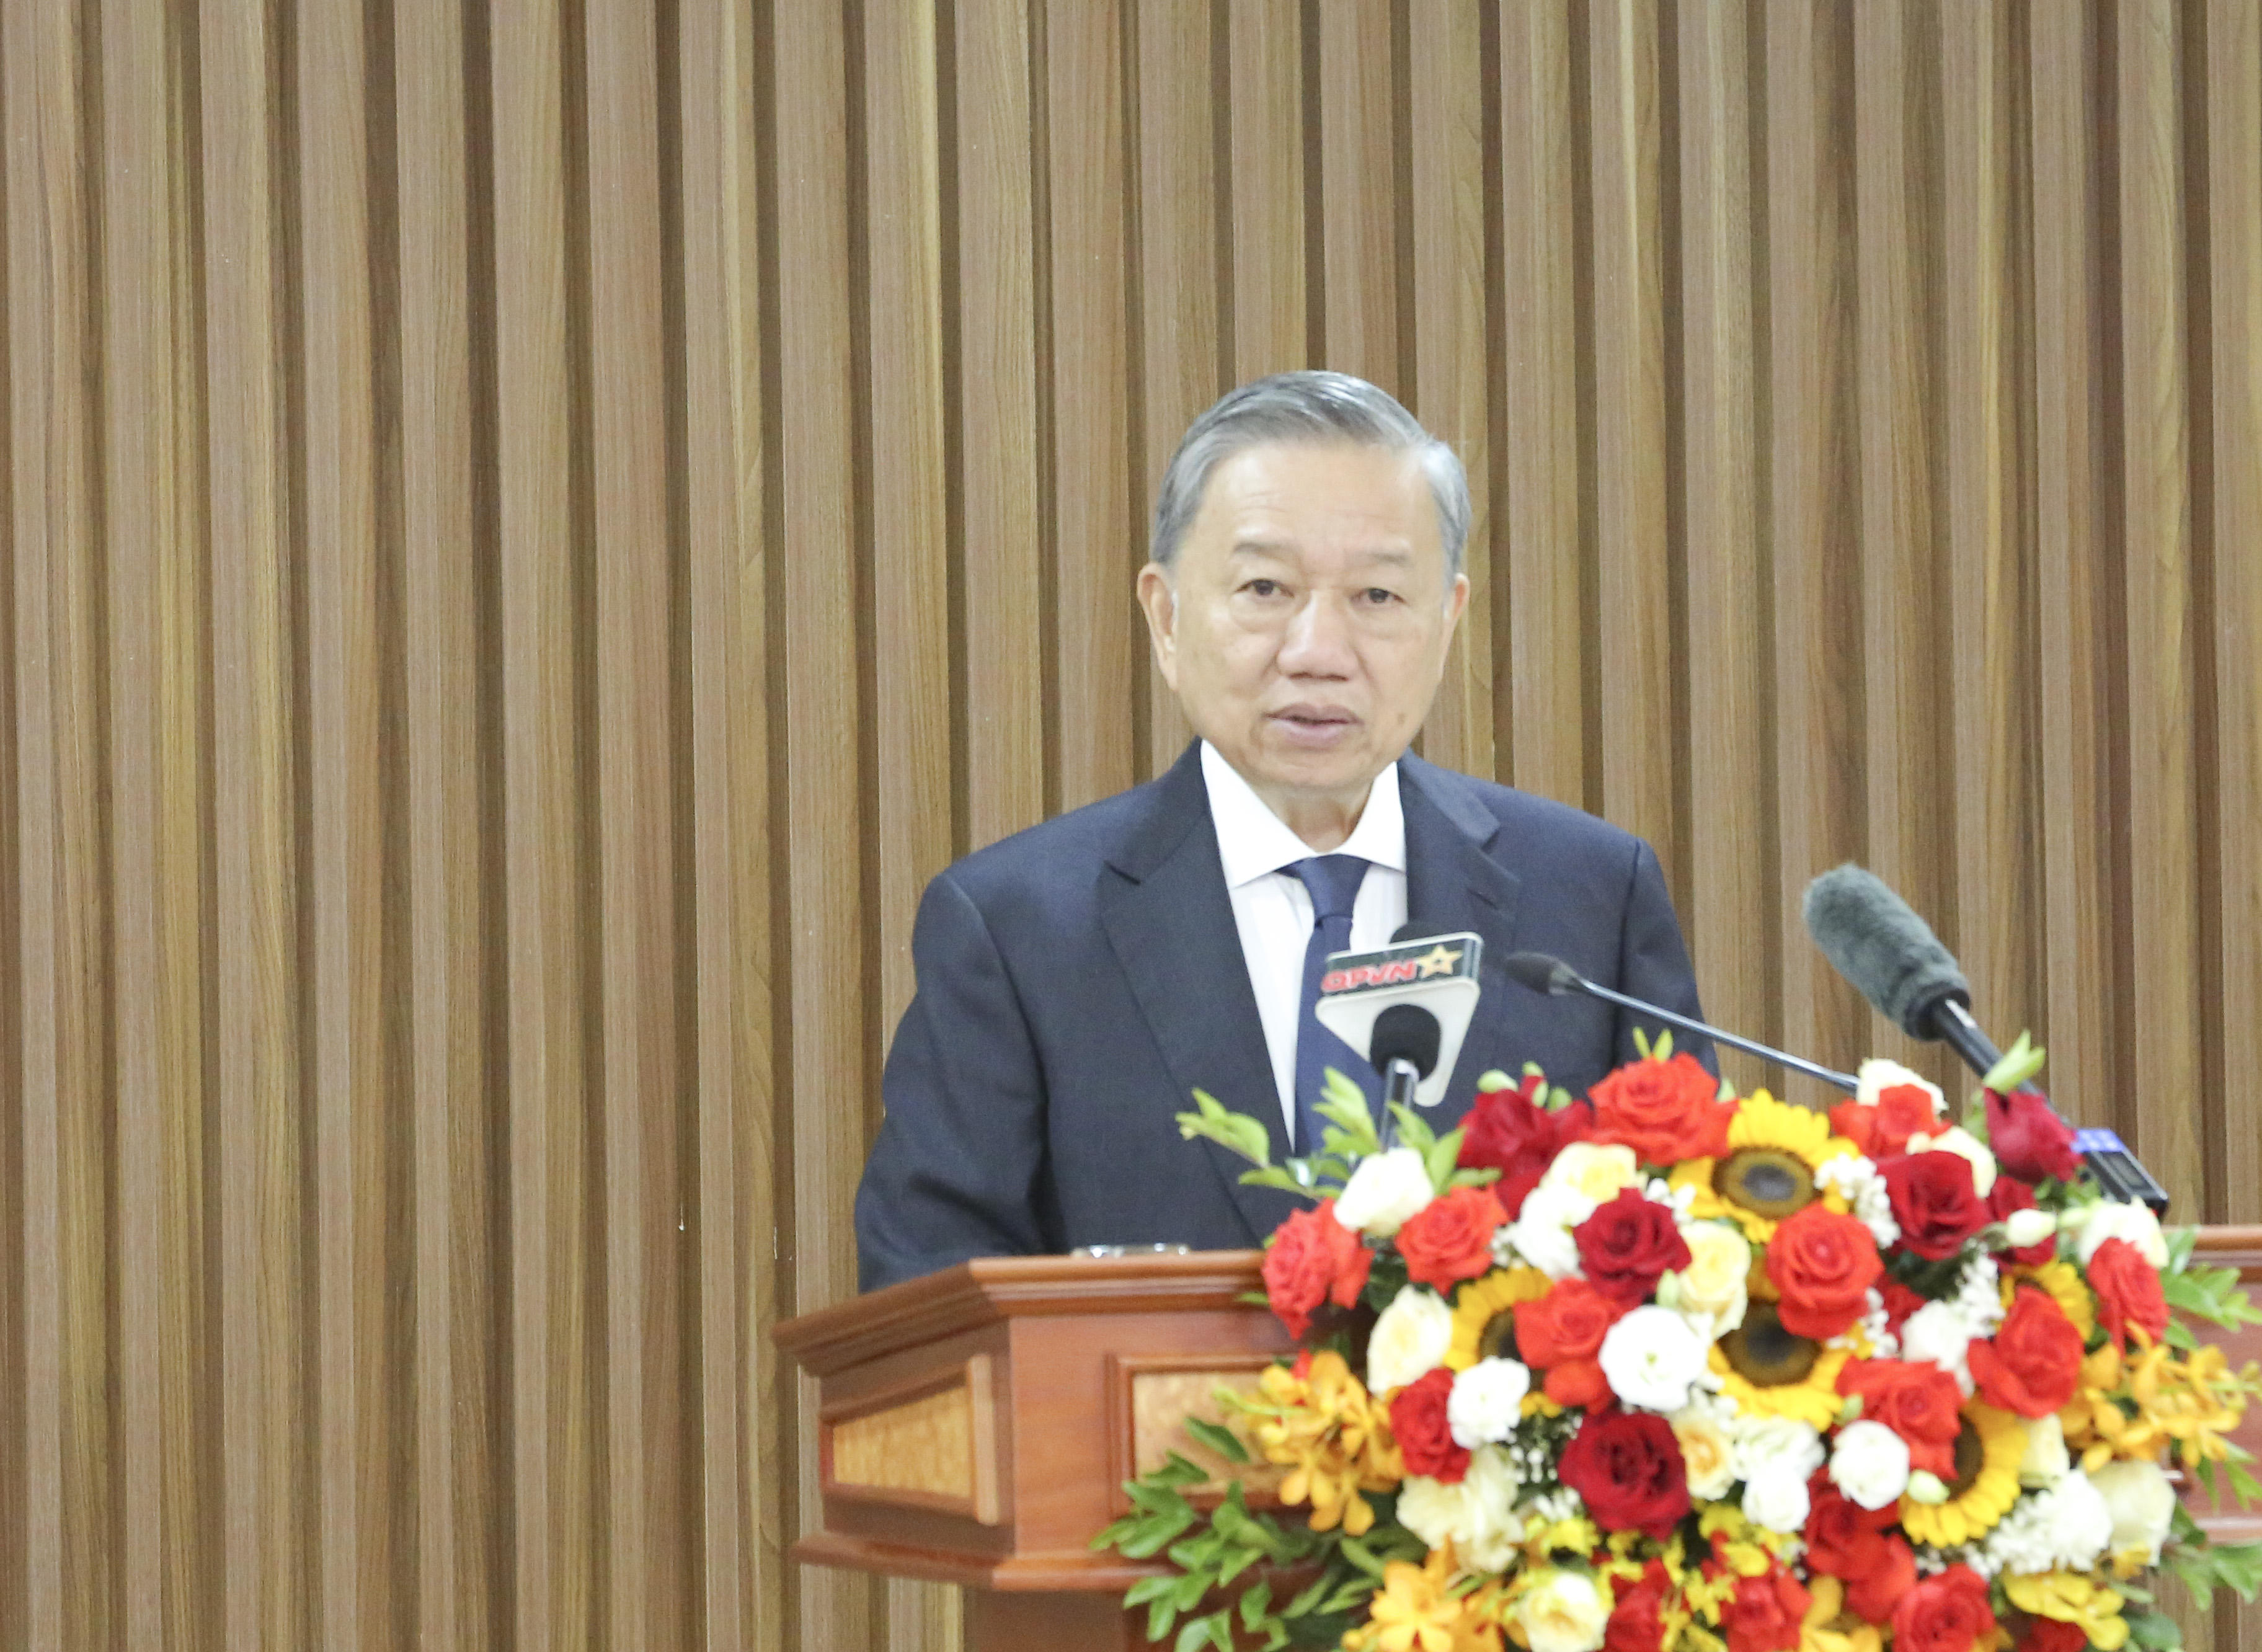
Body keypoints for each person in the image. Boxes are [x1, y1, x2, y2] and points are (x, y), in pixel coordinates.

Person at [854, 372, 1707, 1291]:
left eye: (1377, 596)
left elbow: (1698, 1247)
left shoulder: (1588, 901)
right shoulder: (1019, 931)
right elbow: (926, 1300)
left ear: (1447, 620)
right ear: (1167, 617)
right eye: (1265, 588)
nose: (1317, 653)